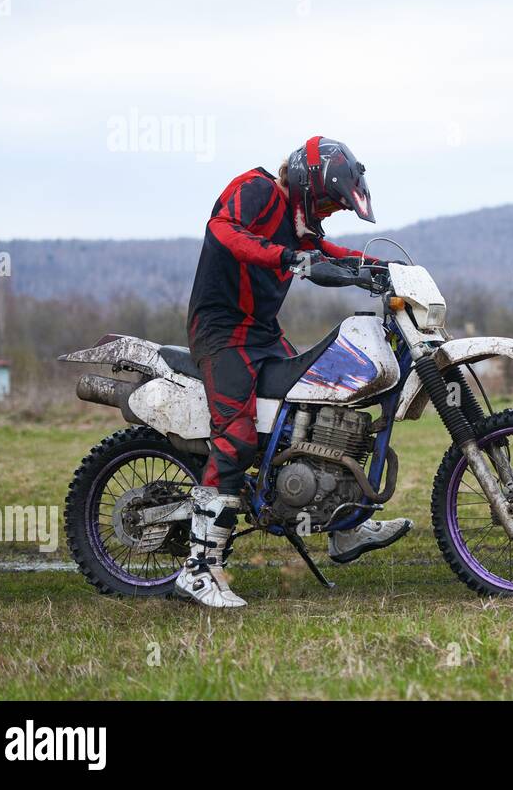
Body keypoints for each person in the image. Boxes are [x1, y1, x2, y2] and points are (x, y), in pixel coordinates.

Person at [175, 136, 411, 608]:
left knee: (323, 403)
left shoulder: (301, 225)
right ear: (306, 183)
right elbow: (222, 230)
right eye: (326, 200)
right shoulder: (256, 189)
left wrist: (380, 268)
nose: (327, 211)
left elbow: (325, 251)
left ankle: (343, 525)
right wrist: (285, 257)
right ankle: (198, 569)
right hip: (223, 334)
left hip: (261, 332)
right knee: (237, 437)